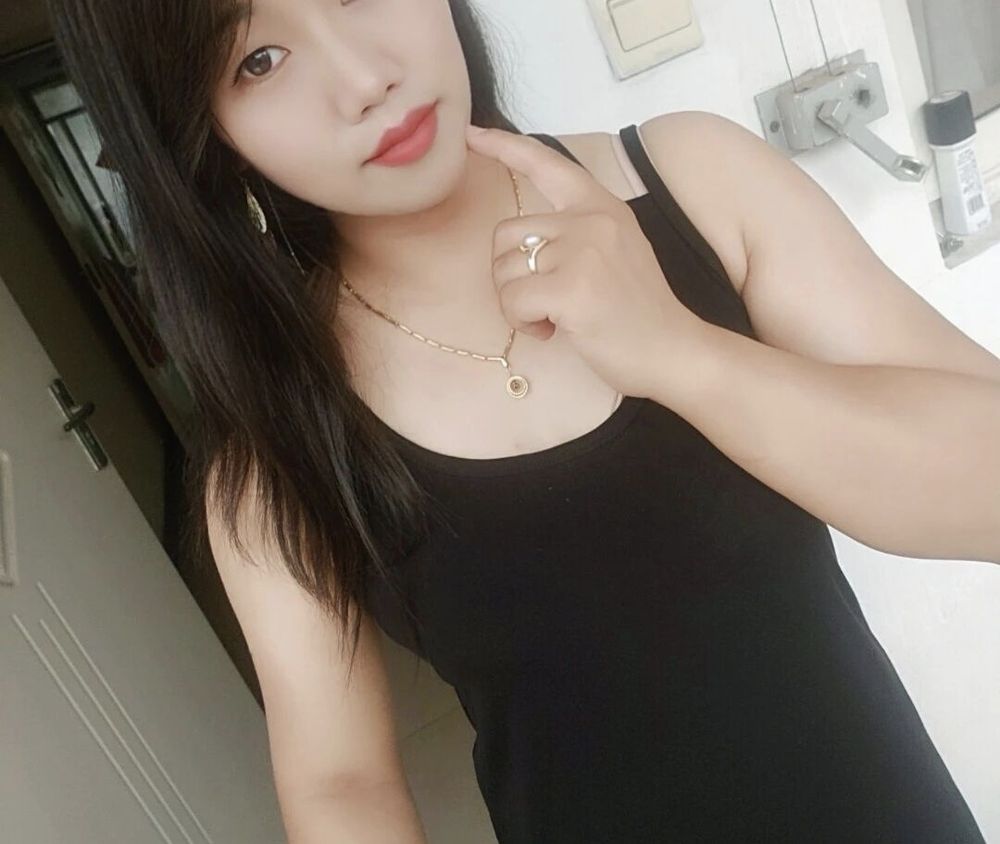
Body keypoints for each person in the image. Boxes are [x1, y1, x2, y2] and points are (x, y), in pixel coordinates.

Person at [46, 0, 991, 841]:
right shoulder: (274, 450)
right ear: (205, 133)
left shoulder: (693, 179)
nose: (364, 78)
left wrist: (679, 351)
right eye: (258, 60)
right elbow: (342, 784)